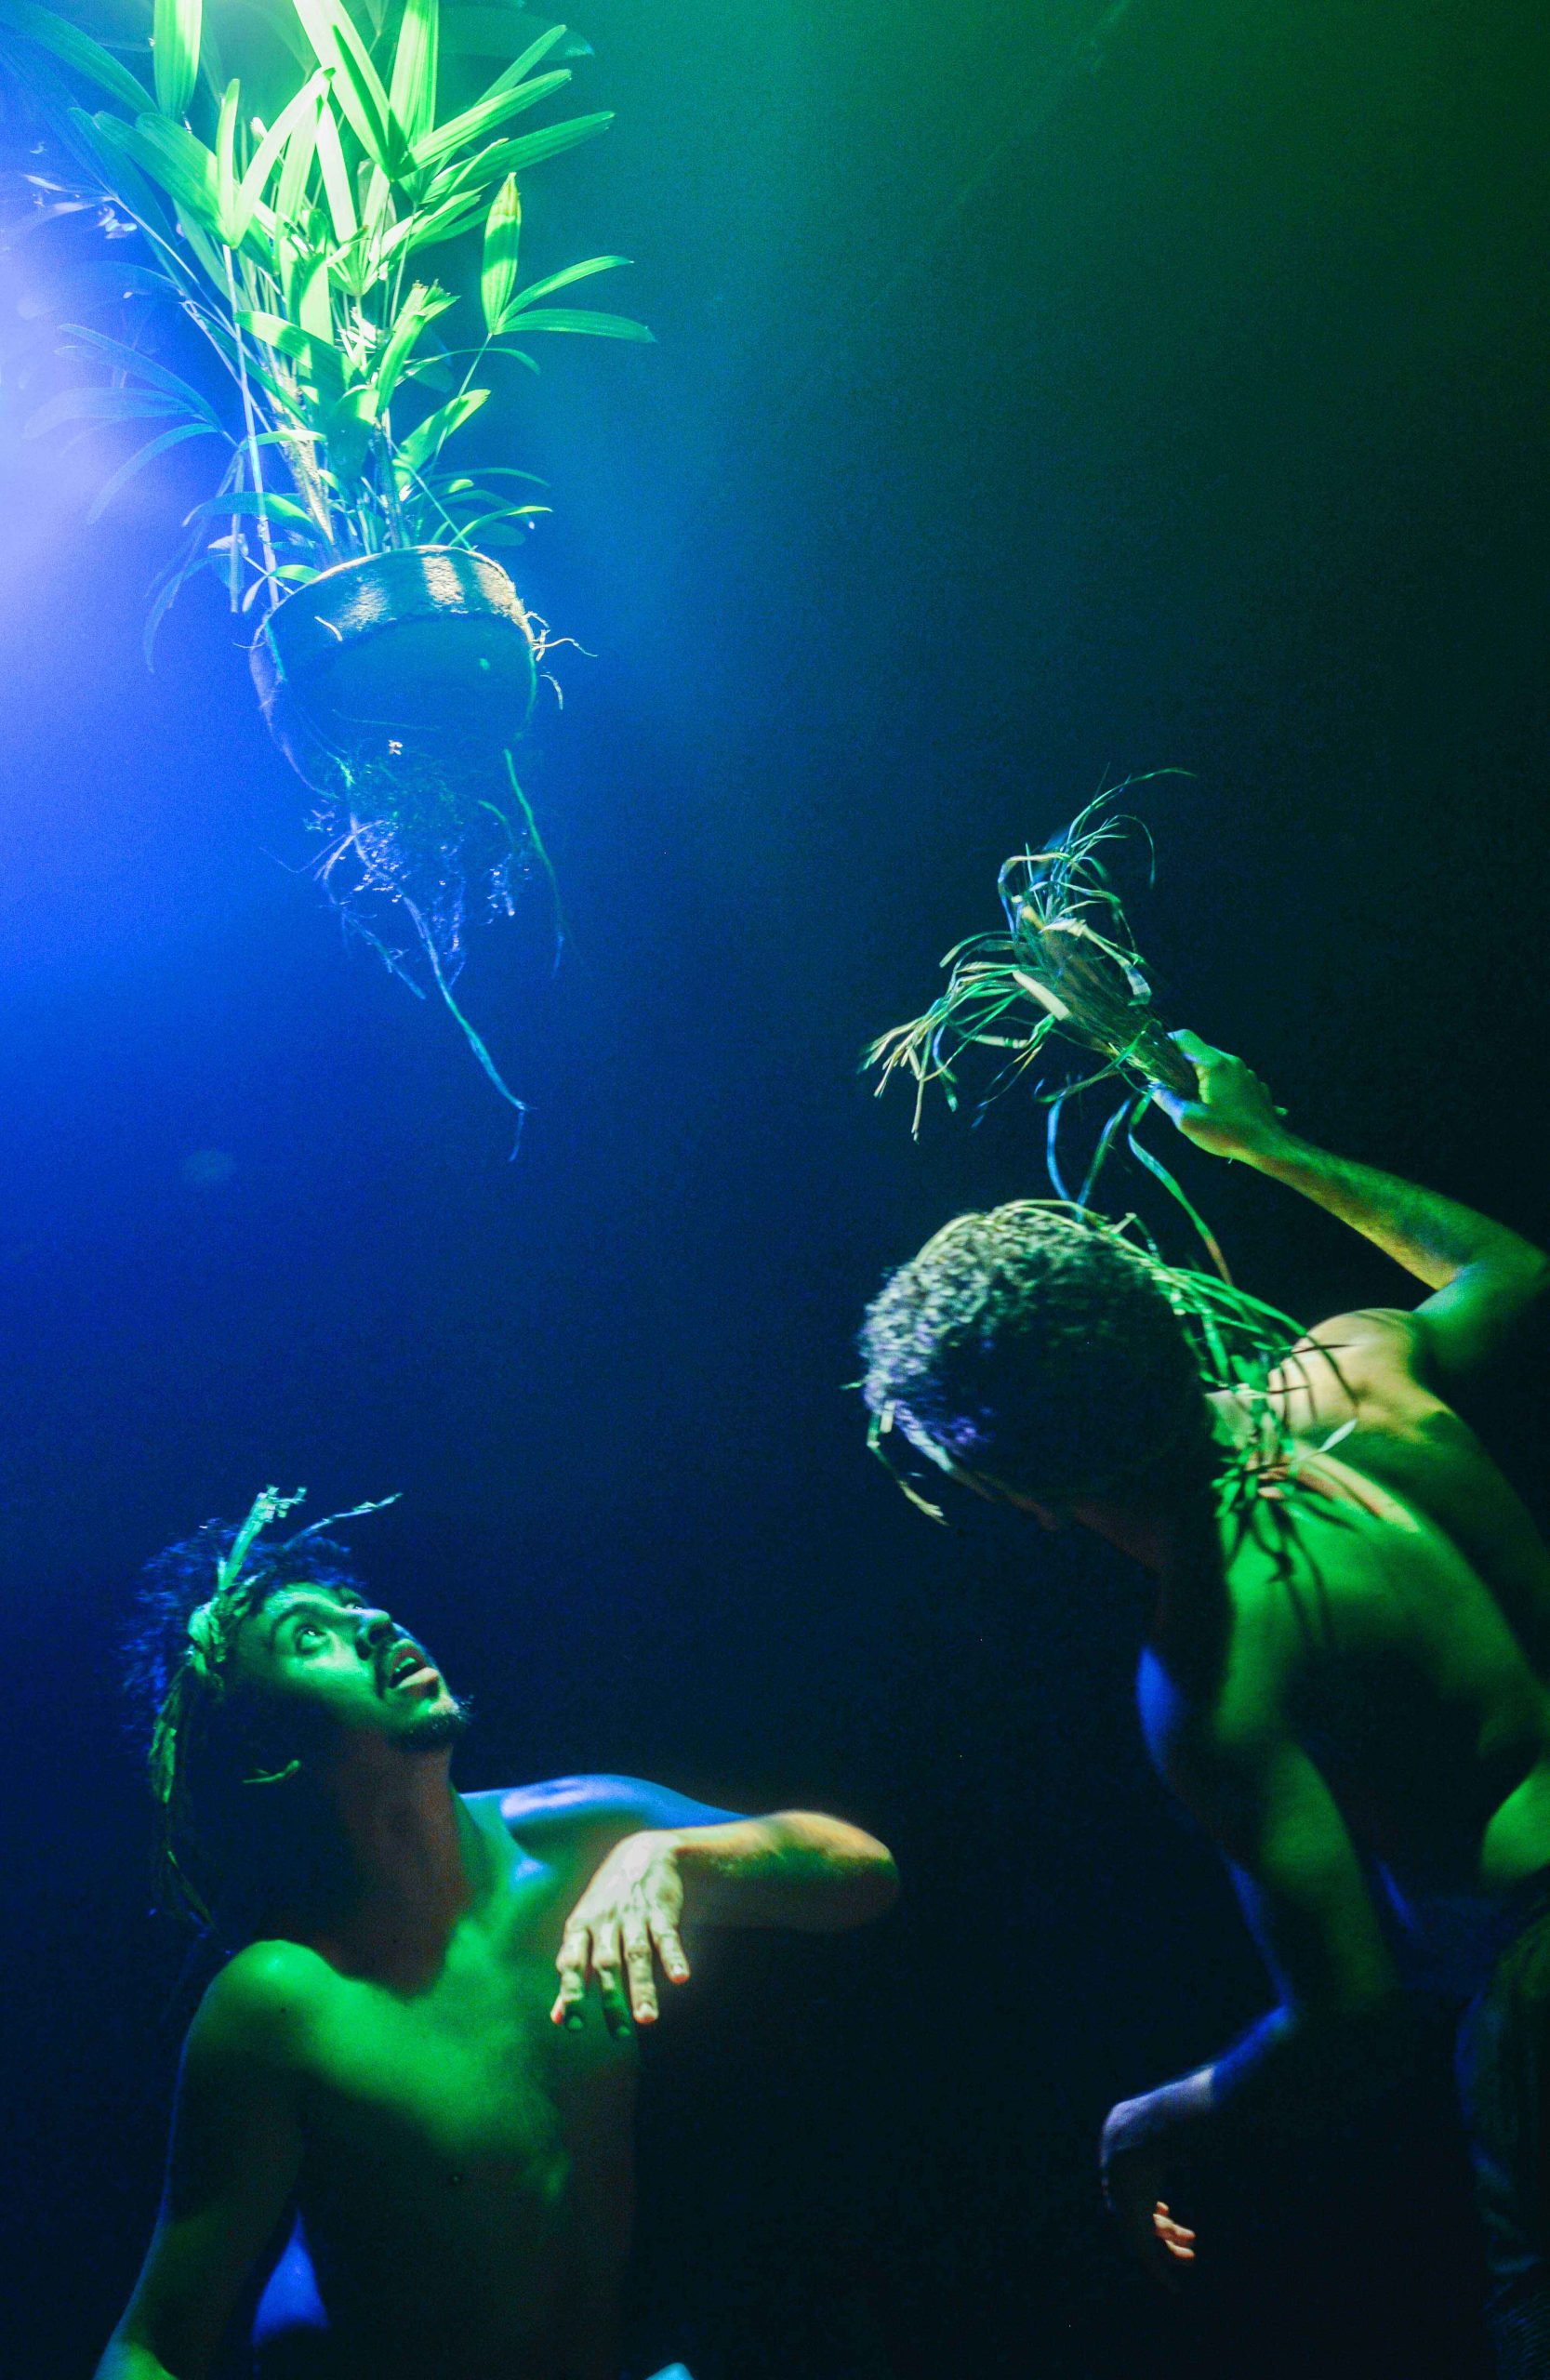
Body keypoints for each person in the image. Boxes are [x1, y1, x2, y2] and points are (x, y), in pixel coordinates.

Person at [859, 1029, 1550, 2374]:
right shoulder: (1355, 1371)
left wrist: (1154, 2117)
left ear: (1018, 1495)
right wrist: (1267, 1147)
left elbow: (1346, 2019)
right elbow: (1511, 1271)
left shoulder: (1209, 1668)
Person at [99, 1497, 898, 2380]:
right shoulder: (282, 2000)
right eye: (311, 1637)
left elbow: (864, 1873)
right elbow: (154, 2340)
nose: (373, 1622)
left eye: (354, 1605)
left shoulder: (576, 1838)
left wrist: (671, 1853)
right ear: (270, 1750)